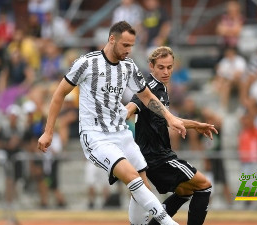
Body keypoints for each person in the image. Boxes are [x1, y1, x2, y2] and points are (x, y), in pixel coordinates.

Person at [38, 21, 184, 225]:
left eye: (131, 45)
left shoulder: (128, 66)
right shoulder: (87, 63)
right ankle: (169, 223)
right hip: (96, 136)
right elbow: (59, 94)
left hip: (121, 133)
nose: (129, 50)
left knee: (143, 187)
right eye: (125, 45)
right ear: (112, 39)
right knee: (133, 178)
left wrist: (170, 118)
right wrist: (48, 132)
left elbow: (146, 96)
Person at [126, 46, 218, 225]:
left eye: (169, 67)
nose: (166, 71)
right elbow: (133, 105)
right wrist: (123, 114)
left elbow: (168, 119)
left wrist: (195, 125)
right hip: (157, 158)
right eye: (161, 67)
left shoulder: (160, 88)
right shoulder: (150, 88)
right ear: (151, 66)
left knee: (185, 191)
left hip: (153, 158)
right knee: (204, 186)